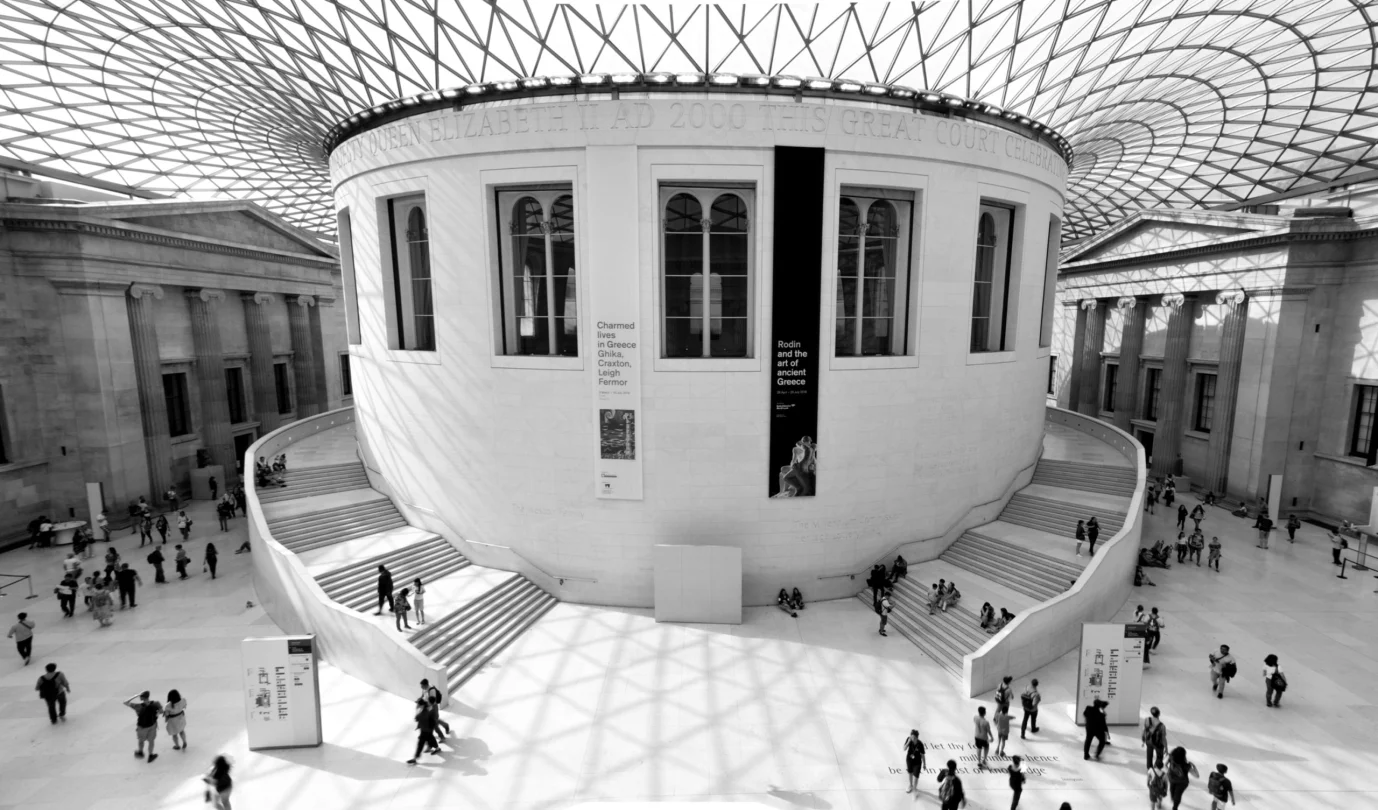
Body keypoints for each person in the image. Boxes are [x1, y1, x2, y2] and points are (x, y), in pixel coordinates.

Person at [124, 690, 163, 761]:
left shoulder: (138, 706)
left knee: (141, 740)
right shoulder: (156, 703)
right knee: (151, 741)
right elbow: (161, 711)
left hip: (142, 727)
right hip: (152, 725)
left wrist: (135, 696)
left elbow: (125, 702)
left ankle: (140, 752)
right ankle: (151, 755)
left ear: (142, 698)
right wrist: (156, 714)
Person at [406, 696, 441, 764]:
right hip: (429, 728)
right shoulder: (427, 708)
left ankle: (415, 758)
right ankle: (437, 748)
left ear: (420, 704)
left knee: (420, 744)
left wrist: (417, 710)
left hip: (425, 730)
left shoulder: (422, 713)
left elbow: (416, 719)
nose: (416, 705)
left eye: (417, 704)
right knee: (430, 737)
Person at [903, 728, 926, 793]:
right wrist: (908, 742)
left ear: (916, 738)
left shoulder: (920, 744)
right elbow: (904, 749)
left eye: (913, 737)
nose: (911, 738)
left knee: (916, 775)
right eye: (911, 736)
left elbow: (923, 755)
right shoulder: (908, 739)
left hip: (917, 761)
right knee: (910, 772)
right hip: (909, 759)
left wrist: (924, 764)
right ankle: (910, 785)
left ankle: (915, 788)